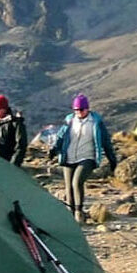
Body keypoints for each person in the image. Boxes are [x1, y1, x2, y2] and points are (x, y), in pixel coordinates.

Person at [50, 94, 117, 223]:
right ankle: (70, 215)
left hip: (87, 157)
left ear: (87, 109)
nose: (79, 112)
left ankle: (79, 212)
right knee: (68, 187)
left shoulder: (96, 122)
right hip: (69, 157)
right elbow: (60, 136)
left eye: (81, 109)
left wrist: (111, 158)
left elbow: (106, 141)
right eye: (76, 110)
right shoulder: (69, 120)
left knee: (77, 182)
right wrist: (54, 149)